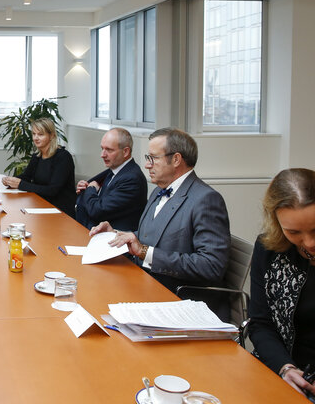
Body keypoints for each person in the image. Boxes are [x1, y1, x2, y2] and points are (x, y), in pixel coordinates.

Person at [90, 127, 231, 318]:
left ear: (176, 160)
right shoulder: (158, 190)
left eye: (153, 158)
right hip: (146, 286)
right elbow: (149, 237)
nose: (147, 165)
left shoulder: (206, 200)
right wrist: (116, 233)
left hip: (180, 302)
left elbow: (211, 266)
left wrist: (146, 253)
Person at [248, 168, 315, 398]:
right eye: (294, 232)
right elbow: (260, 323)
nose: (309, 242)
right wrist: (285, 368)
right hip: (281, 371)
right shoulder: (269, 249)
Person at [75, 127, 148, 230]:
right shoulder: (115, 170)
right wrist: (85, 187)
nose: (102, 155)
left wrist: (90, 190)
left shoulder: (132, 179)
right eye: (102, 149)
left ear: (126, 152)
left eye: (109, 150)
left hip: (114, 240)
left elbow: (97, 211)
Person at [1, 117, 76, 217]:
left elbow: (52, 190)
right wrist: (11, 180)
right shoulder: (37, 156)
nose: (35, 138)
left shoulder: (63, 157)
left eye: (40, 134)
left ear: (52, 136)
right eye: (34, 134)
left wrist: (20, 184)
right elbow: (26, 177)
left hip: (60, 211)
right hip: (39, 205)